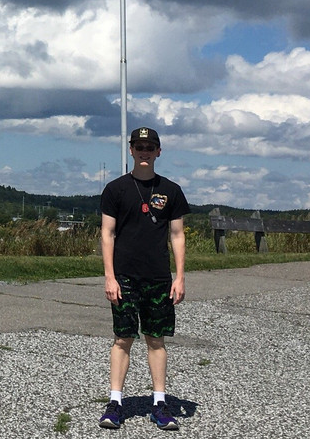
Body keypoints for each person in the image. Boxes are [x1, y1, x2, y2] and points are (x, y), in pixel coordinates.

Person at [98, 127, 189, 431]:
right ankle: (115, 403)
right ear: (131, 150)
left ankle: (160, 404)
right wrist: (109, 277)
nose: (145, 151)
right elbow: (107, 234)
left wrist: (180, 277)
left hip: (158, 278)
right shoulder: (115, 189)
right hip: (124, 277)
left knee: (156, 339)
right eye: (139, 146)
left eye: (150, 147)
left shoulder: (171, 190)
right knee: (123, 339)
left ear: (159, 151)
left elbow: (177, 235)